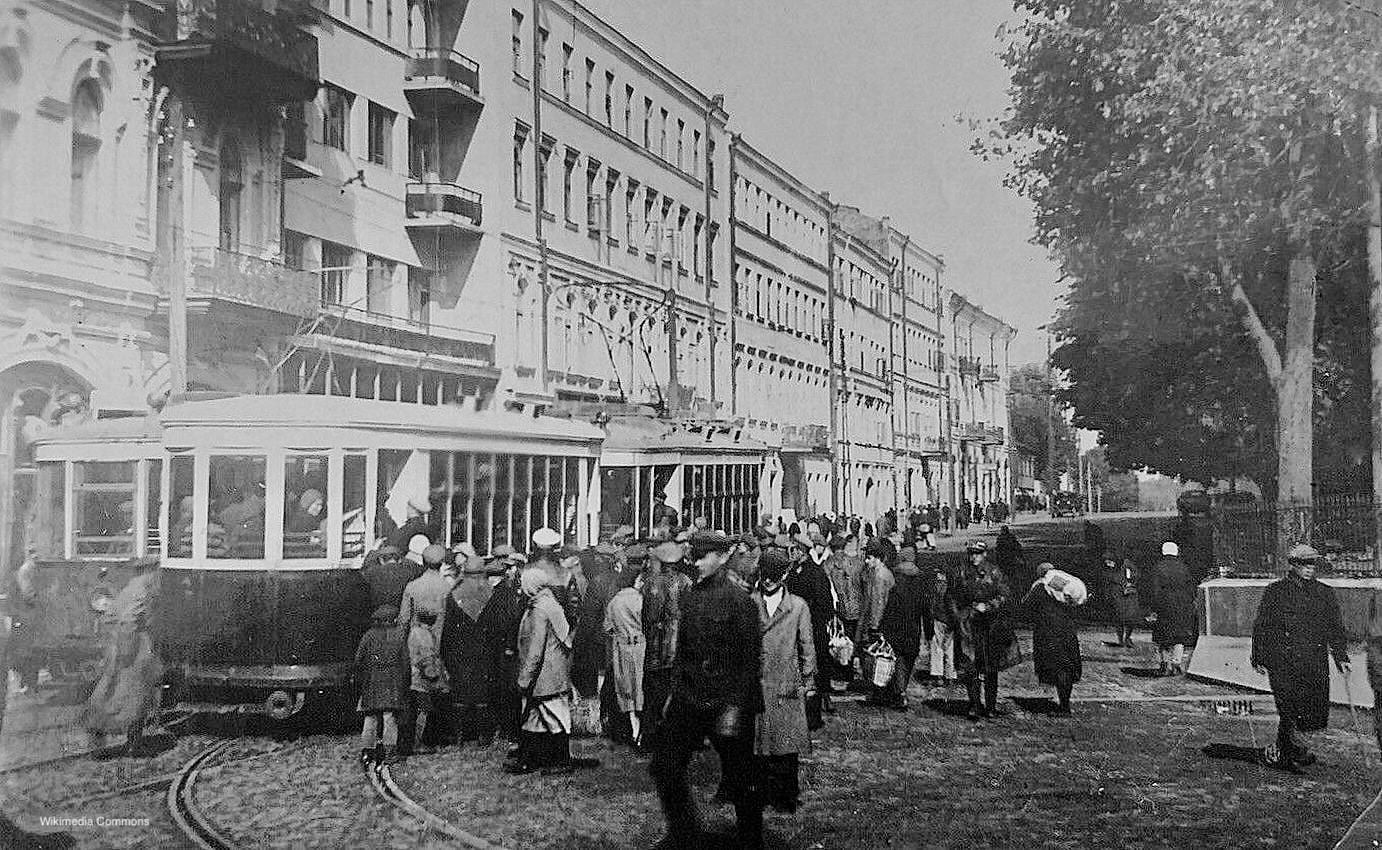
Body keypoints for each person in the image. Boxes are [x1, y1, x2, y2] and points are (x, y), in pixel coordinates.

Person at [649, 532, 764, 850]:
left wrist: (734, 708)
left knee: (741, 776)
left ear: (723, 557)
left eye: (703, 557)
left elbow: (749, 661)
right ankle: (683, 832)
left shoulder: (740, 602)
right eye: (693, 557)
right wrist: (674, 693)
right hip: (689, 697)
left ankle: (751, 840)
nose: (696, 563)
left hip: (726, 701)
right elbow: (684, 652)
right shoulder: (692, 597)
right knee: (664, 764)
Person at [1251, 545, 1349, 770]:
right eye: (1304, 565)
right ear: (1293, 565)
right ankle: (1286, 753)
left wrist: (1341, 656)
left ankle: (1290, 747)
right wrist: (1258, 656)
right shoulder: (1276, 591)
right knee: (1288, 707)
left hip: (1311, 660)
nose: (1309, 569)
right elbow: (1262, 625)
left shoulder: (1324, 592)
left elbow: (1334, 627)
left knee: (1306, 708)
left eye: (1312, 565)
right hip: (1282, 660)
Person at [508, 566, 595, 775]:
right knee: (535, 718)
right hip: (552, 672)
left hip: (546, 675)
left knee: (554, 718)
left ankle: (560, 761)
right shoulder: (547, 603)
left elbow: (535, 650)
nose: (520, 587)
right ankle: (528, 759)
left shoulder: (539, 609)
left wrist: (524, 678)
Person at [751, 550, 815, 814]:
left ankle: (787, 795)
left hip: (786, 681)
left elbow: (806, 646)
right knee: (759, 744)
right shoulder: (750, 602)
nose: (769, 581)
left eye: (774, 577)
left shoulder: (798, 606)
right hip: (758, 681)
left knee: (787, 746)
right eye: (765, 576)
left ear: (785, 575)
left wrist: (809, 681)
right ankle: (762, 793)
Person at [441, 545, 504, 745]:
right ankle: (484, 735)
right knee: (483, 693)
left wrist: (445, 653)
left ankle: (460, 735)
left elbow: (448, 630)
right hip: (485, 652)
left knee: (460, 692)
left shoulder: (453, 595)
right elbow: (497, 628)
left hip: (460, 652)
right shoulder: (492, 594)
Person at [949, 541, 1016, 721]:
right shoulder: (961, 573)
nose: (974, 557)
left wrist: (988, 606)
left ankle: (991, 706)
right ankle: (974, 705)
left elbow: (1005, 596)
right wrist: (959, 617)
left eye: (978, 553)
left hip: (990, 626)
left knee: (990, 668)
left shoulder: (994, 573)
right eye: (971, 553)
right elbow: (952, 597)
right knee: (970, 668)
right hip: (969, 627)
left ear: (985, 554)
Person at [642, 540, 691, 742]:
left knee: (653, 693)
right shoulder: (686, 581)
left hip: (656, 645)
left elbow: (651, 616)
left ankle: (651, 735)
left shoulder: (652, 583)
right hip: (679, 644)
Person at [785, 534, 836, 722]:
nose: (790, 553)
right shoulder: (791, 572)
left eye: (793, 550)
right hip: (794, 625)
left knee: (819, 661)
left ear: (801, 551)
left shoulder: (816, 572)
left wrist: (815, 620)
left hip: (814, 625)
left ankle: (823, 695)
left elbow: (826, 602)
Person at [872, 539, 926, 710]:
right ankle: (900, 690)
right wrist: (929, 631)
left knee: (900, 659)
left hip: (896, 628)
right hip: (913, 629)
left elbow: (889, 608)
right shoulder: (920, 582)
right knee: (908, 659)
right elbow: (926, 609)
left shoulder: (897, 582)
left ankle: (900, 693)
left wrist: (882, 627)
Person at [1022, 563, 1083, 714]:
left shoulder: (1040, 587)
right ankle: (1065, 703)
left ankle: (1063, 708)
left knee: (1057, 667)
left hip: (1048, 632)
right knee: (1067, 666)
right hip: (1067, 631)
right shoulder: (1064, 586)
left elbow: (1026, 606)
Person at [355, 604, 409, 764]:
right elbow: (405, 662)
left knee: (370, 716)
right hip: (392, 681)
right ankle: (390, 752)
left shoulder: (368, 635)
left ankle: (366, 751)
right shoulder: (399, 635)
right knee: (389, 717)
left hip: (372, 680)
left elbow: (358, 659)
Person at [603, 565, 646, 748]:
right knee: (642, 689)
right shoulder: (641, 599)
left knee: (626, 690)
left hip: (621, 649)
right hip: (641, 647)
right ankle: (642, 733)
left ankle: (633, 729)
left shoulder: (614, 601)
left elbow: (607, 627)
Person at [1147, 541, 1196, 676]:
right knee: (1179, 636)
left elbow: (1154, 590)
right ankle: (1176, 663)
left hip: (1164, 605)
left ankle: (1164, 664)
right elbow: (1191, 588)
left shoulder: (1158, 567)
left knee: (1163, 636)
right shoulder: (1184, 568)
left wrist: (1154, 607)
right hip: (1182, 605)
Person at [406, 607, 449, 755]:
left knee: (419, 711)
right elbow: (427, 660)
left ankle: (415, 742)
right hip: (420, 680)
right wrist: (438, 680)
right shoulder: (423, 634)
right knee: (423, 711)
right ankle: (417, 743)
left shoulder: (415, 631)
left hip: (414, 677)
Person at [361, 542, 417, 613]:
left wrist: (373, 550)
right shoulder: (409, 572)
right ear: (400, 560)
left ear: (381, 560)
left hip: (377, 615)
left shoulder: (372, 572)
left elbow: (364, 568)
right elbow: (416, 566)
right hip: (401, 614)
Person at [1101, 549, 1141, 647]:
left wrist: (1130, 583)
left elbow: (1135, 574)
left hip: (1128, 594)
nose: (1108, 564)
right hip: (1117, 595)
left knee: (1130, 618)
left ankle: (1127, 638)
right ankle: (1121, 639)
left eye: (1109, 561)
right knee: (1119, 619)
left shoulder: (1126, 564)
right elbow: (1107, 582)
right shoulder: (1108, 570)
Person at [928, 564, 956, 686]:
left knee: (937, 647)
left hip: (939, 619)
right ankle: (950, 675)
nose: (937, 575)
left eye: (939, 573)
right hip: (950, 620)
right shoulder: (953, 587)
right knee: (950, 648)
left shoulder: (937, 587)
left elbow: (933, 605)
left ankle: (938, 674)